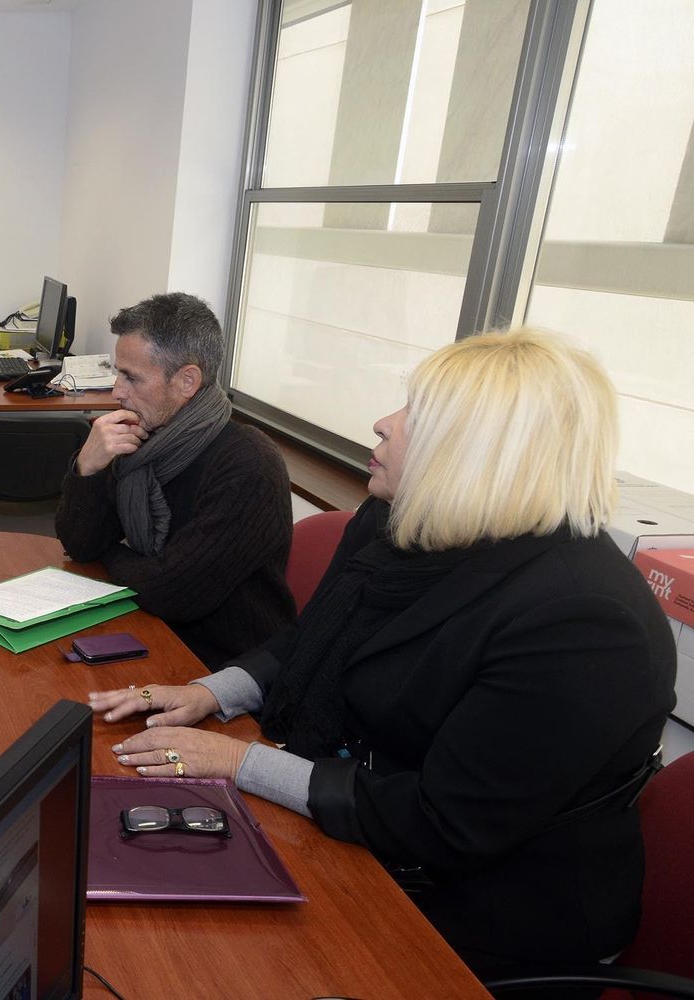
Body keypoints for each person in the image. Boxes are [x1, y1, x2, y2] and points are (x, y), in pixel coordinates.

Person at [91, 329, 676, 978]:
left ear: (484, 454)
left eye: (415, 416)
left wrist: (243, 763)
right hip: (361, 821)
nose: (382, 423)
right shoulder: (403, 522)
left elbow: (443, 821)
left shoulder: (583, 620)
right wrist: (212, 692)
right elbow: (314, 641)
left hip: (481, 920)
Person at [55, 293, 294, 668]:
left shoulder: (249, 465)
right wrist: (88, 466)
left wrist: (111, 554)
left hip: (221, 668)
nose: (117, 391)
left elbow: (173, 591)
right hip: (147, 629)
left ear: (187, 381)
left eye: (132, 377)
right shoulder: (142, 437)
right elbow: (81, 544)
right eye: (118, 372)